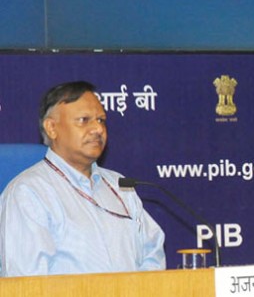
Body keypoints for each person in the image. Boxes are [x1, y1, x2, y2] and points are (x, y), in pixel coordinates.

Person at [0, 81, 165, 277]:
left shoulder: (120, 186)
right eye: (84, 120)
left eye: (101, 120)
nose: (97, 129)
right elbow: (27, 282)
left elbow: (152, 253)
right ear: (52, 128)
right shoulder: (28, 193)